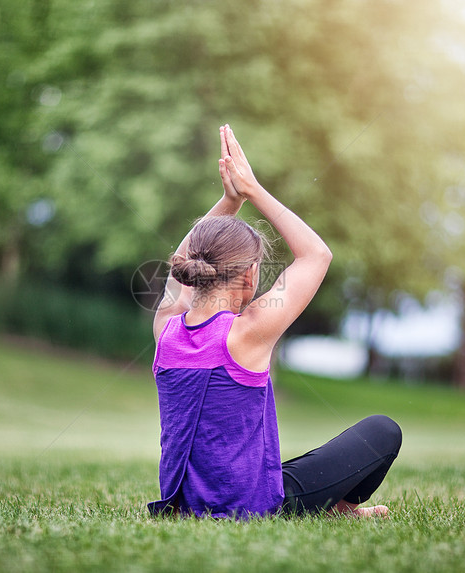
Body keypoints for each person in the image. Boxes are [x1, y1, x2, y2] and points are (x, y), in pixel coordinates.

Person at [148, 124, 401, 519]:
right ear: (249, 276)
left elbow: (183, 260)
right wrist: (251, 190)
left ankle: (333, 506)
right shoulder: (246, 333)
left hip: (183, 505)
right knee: (383, 432)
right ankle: (341, 508)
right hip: (251, 504)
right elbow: (316, 255)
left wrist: (228, 201)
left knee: (284, 468)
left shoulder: (166, 330)